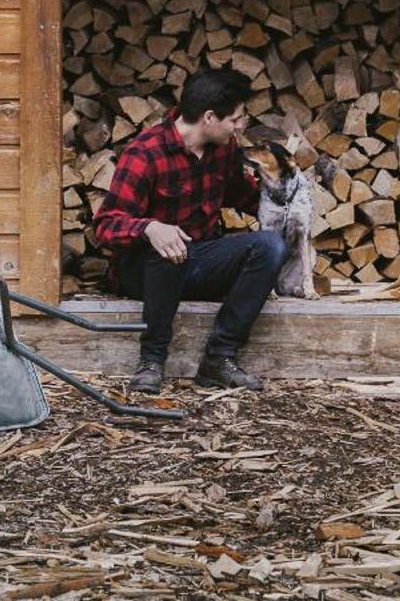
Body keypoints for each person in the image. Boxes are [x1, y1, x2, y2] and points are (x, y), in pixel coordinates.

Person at [91, 65, 286, 394]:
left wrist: (289, 204)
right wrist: (150, 228)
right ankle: (152, 361)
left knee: (270, 247)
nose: (241, 127)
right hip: (146, 273)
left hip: (200, 261)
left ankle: (219, 359)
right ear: (209, 117)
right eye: (236, 119)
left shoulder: (223, 149)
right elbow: (106, 226)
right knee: (169, 244)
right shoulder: (145, 153)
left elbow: (246, 196)